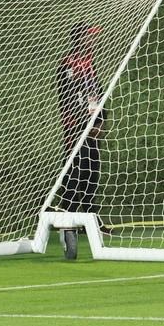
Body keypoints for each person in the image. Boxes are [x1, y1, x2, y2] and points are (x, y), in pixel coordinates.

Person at [56, 25, 107, 230]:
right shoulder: (67, 64)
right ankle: (65, 217)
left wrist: (101, 120)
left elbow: (98, 94)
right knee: (75, 172)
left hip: (92, 128)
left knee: (93, 171)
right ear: (80, 39)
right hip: (75, 128)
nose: (93, 41)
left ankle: (90, 219)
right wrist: (81, 125)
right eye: (89, 37)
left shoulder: (90, 63)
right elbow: (66, 98)